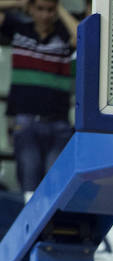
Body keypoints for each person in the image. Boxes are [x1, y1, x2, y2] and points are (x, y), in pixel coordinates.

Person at [0, 0, 77, 193]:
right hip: (25, 121)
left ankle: (53, 224)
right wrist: (20, 2)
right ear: (31, 9)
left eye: (50, 10)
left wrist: (58, 7)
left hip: (58, 122)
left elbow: (81, 35)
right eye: (40, 9)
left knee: (57, 185)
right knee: (29, 182)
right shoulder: (18, 29)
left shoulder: (63, 34)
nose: (45, 15)